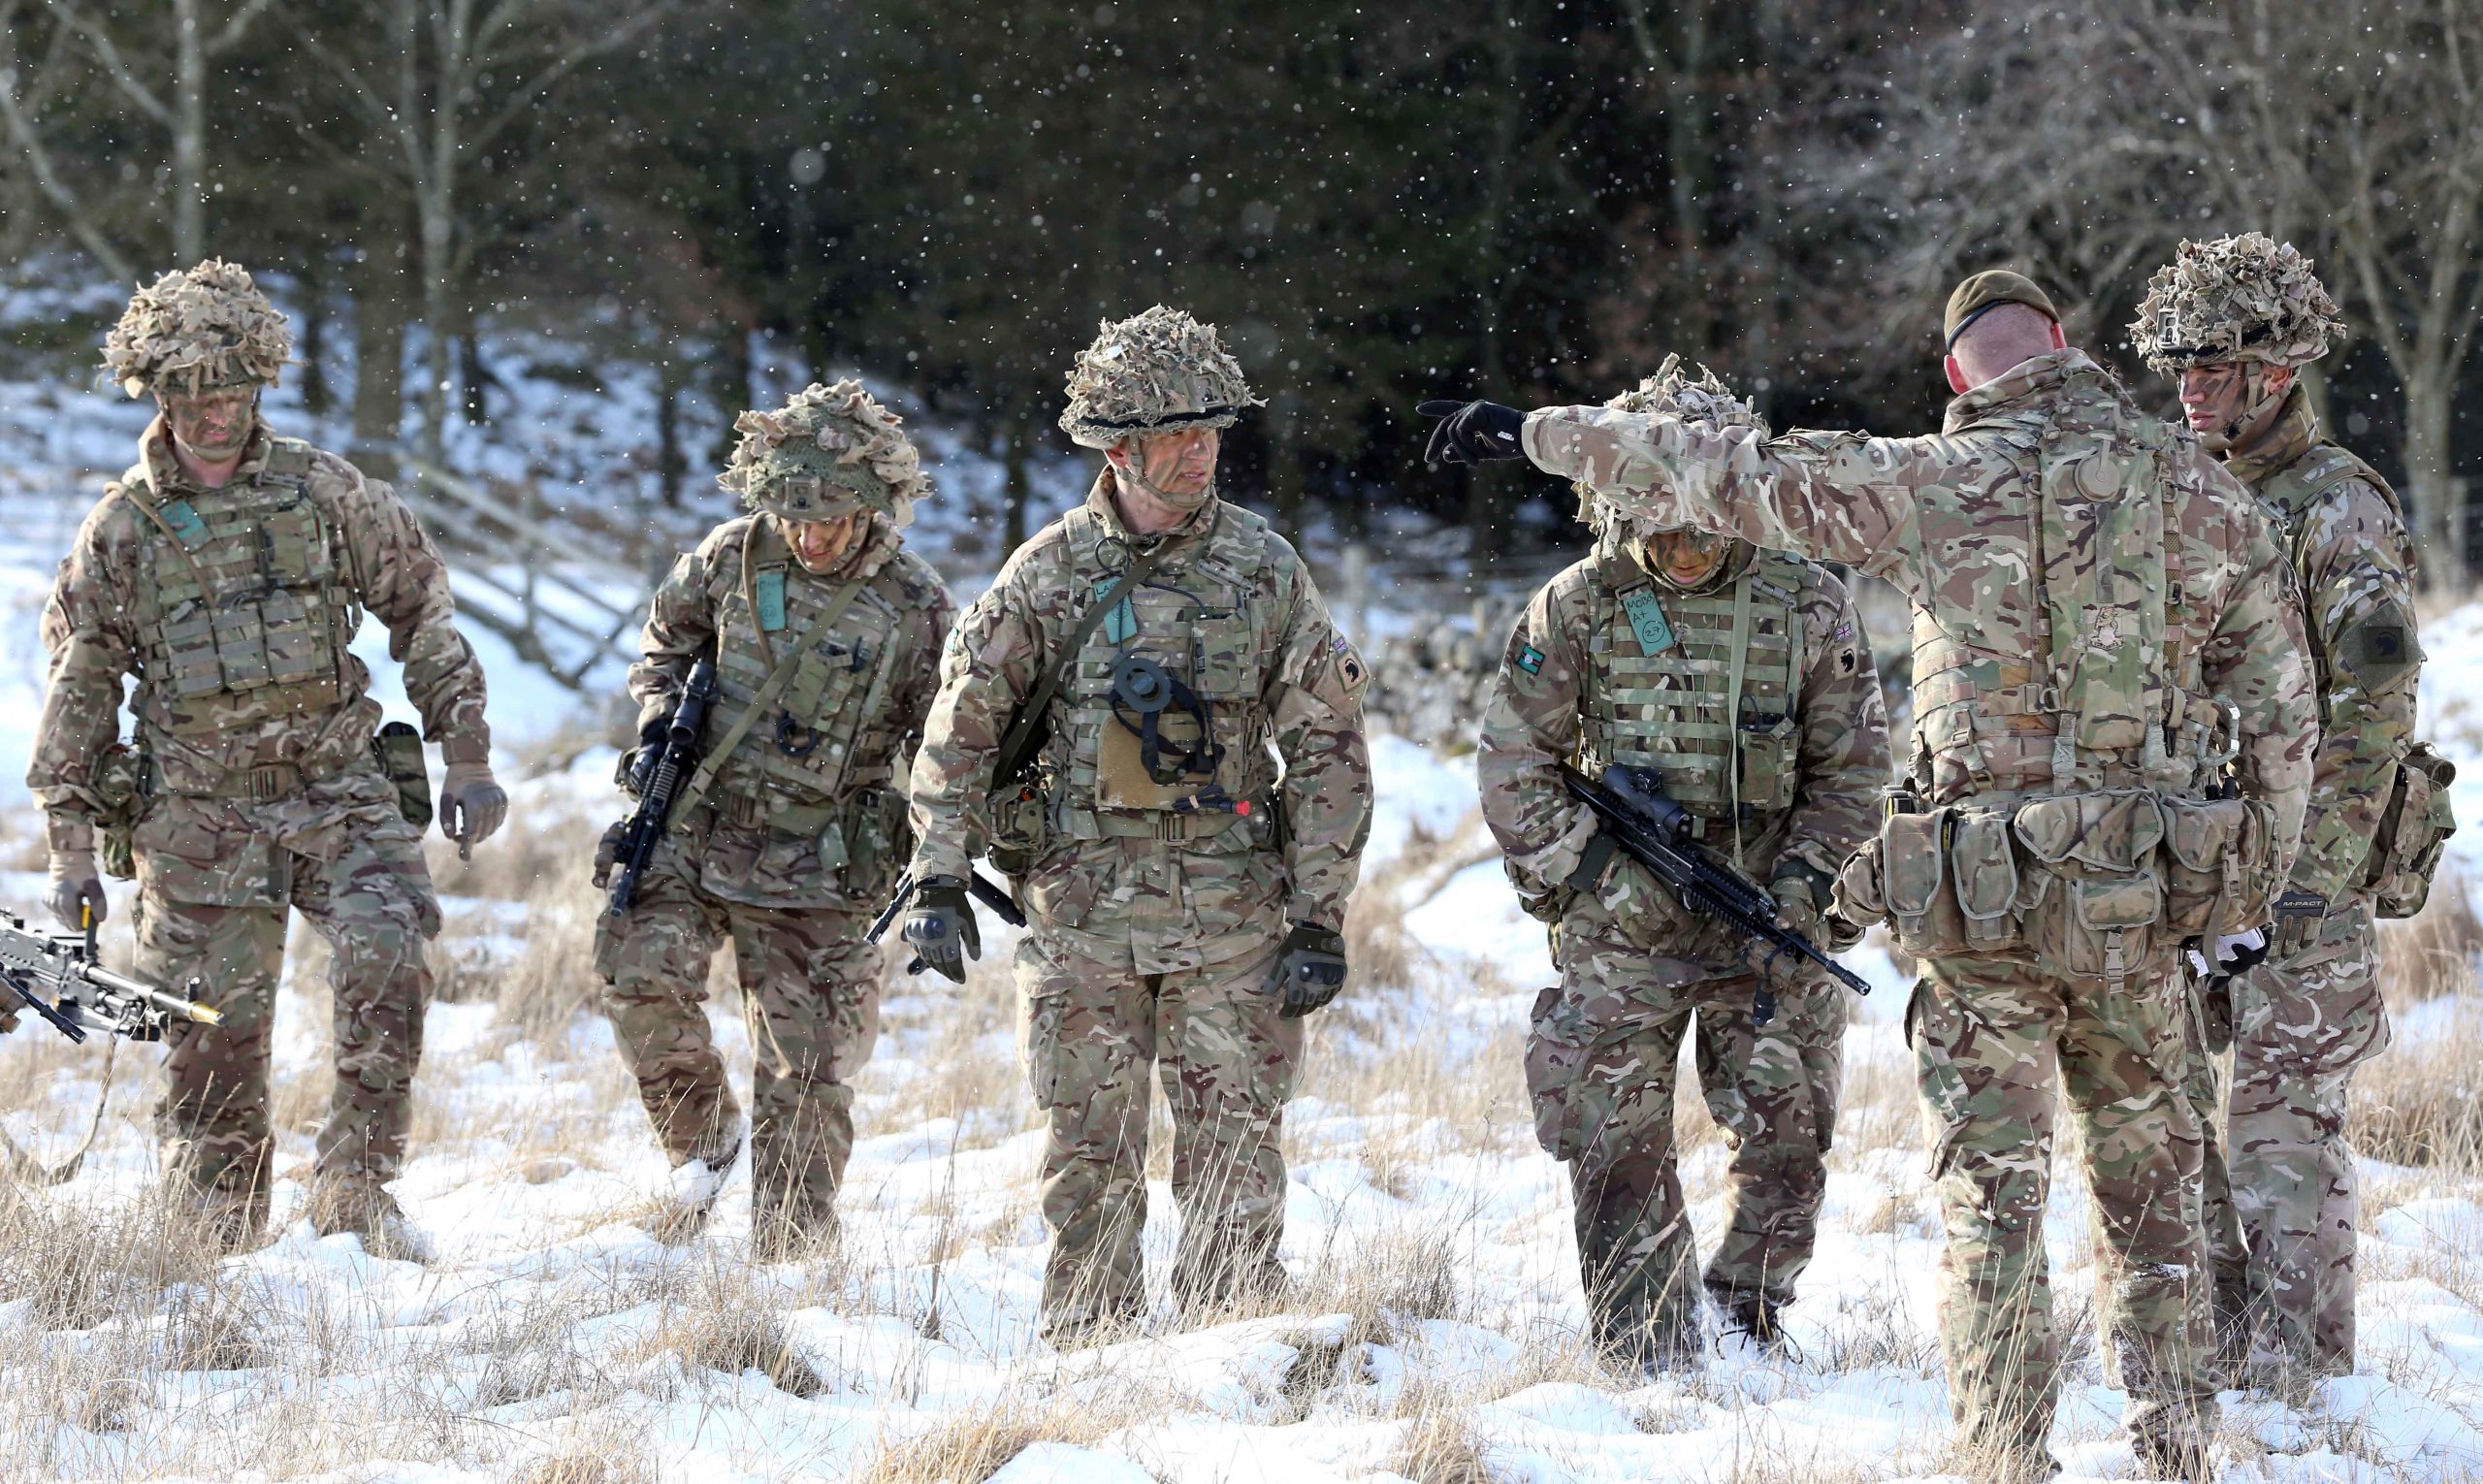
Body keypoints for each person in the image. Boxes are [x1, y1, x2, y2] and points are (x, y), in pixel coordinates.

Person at [1421, 270, 2316, 1480]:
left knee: (1991, 1209)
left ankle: (2003, 1454)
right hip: (2136, 912)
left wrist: (1535, 433)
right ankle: (2175, 1447)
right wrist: (2241, 891)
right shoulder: (2207, 497)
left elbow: (1719, 469)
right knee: (2151, 1199)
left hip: (1984, 913)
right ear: (2066, 349)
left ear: (1958, 377)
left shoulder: (1930, 483)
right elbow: (2280, 721)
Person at [904, 306, 1372, 1343]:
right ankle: (1093, 1364)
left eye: (1213, 431)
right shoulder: (1048, 573)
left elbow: (1331, 752)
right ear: (1119, 449)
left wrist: (1320, 917)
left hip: (1230, 920)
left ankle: (1236, 1360)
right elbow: (961, 730)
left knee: (1237, 1153)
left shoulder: (1263, 571)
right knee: (1085, 1157)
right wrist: (936, 876)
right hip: (1080, 921)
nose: (1203, 451)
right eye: (1178, 434)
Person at [31, 259, 506, 1257]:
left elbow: (421, 606)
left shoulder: (325, 491)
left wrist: (465, 750)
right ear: (160, 398)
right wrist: (72, 855)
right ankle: (217, 1221)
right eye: (189, 398)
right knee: (213, 1027)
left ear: (260, 384)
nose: (212, 417)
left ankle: (356, 1190)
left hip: (336, 784)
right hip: (198, 812)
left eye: (231, 394)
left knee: (390, 951)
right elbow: (78, 692)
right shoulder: (121, 530)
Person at [1477, 359, 1891, 1370]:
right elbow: (1513, 763)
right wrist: (1592, 881)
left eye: (1704, 508)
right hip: (1622, 927)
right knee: (1613, 1142)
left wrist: (1801, 888)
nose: (1683, 537)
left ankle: (1747, 1314)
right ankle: (1644, 1341)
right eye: (1653, 509)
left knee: (1790, 1141)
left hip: (1768, 914)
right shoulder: (1577, 607)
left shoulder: (1808, 606)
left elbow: (1854, 774)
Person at [2135, 234, 2432, 1387]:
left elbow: (2373, 714)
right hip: (2183, 865)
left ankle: (2305, 1389)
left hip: (2299, 877)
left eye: (2212, 364)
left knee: (2278, 1127)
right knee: (2166, 1129)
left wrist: (2300, 889)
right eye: (2177, 367)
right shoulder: (2174, 496)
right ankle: (2221, 1358)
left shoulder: (2334, 506)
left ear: (2274, 369)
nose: (2189, 387)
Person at [594, 380, 952, 1257]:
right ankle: (704, 1142)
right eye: (793, 512)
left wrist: (939, 845)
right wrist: (654, 726)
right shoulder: (730, 558)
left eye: (830, 515)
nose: (809, 533)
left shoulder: (915, 605)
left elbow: (948, 734)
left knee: (809, 1070)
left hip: (824, 857)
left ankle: (791, 1256)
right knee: (636, 971)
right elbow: (665, 645)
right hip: (701, 823)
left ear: (871, 507)